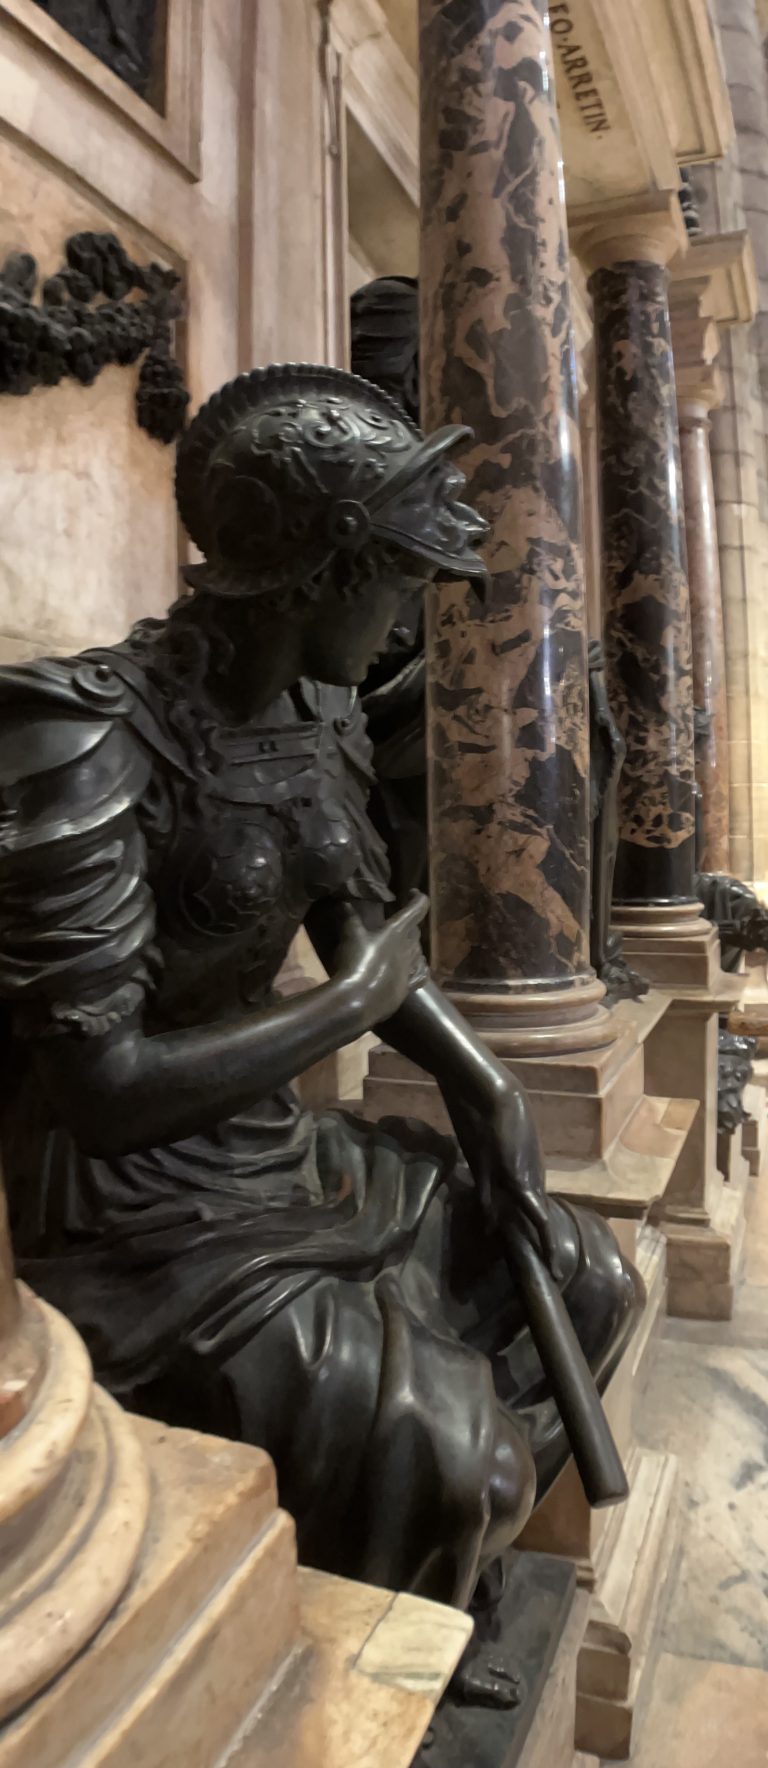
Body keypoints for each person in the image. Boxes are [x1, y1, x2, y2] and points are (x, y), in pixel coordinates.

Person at [0, 364, 639, 1633]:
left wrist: (487, 1083)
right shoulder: (80, 737)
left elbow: (367, 946)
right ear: (322, 571)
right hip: (135, 1215)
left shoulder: (316, 720)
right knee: (462, 1463)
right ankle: (350, 1648)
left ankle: (422, 1582)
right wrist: (345, 1008)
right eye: (400, 580)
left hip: (276, 1157)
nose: (409, 622)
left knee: (589, 1278)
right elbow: (102, 1087)